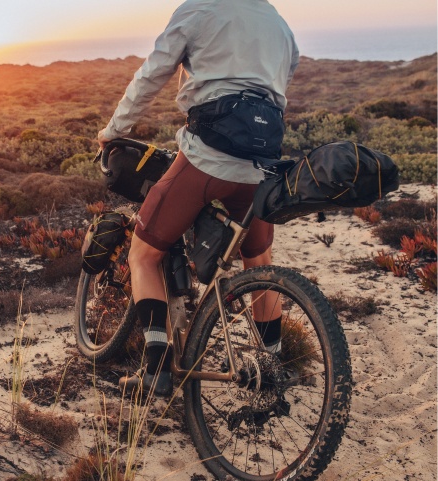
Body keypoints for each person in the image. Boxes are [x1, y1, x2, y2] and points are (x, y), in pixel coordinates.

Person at [98, 0, 300, 396]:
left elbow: (153, 72)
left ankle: (156, 369)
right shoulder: (277, 22)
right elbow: (283, 79)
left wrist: (114, 129)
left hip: (208, 158)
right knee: (258, 259)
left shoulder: (198, 10)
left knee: (143, 253)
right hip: (263, 161)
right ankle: (272, 365)